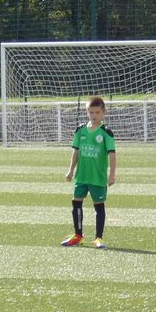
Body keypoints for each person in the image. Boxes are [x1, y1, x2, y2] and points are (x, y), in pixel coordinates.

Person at [60, 96, 117, 249]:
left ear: (104, 113)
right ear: (87, 112)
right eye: (91, 112)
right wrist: (71, 170)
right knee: (76, 202)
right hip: (81, 176)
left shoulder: (106, 132)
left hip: (97, 176)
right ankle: (78, 235)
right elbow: (75, 151)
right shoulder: (80, 130)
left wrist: (112, 174)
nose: (94, 115)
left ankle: (98, 238)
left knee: (99, 205)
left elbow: (112, 155)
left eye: (97, 112)